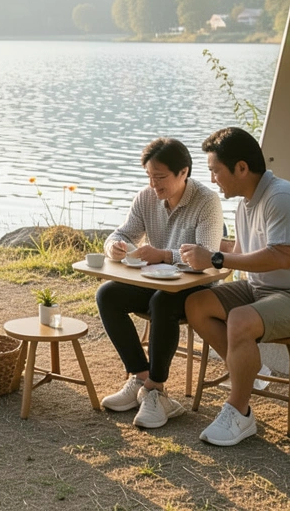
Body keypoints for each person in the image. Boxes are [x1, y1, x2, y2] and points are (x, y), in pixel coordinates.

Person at [180, 127, 290, 446]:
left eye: (215, 171)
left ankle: (240, 413)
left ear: (241, 168)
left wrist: (216, 258)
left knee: (239, 319)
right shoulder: (247, 202)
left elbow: (281, 256)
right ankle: (247, 369)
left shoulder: (281, 196)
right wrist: (202, 251)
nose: (212, 180)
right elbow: (241, 252)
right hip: (262, 290)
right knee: (196, 304)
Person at [95, 137, 224, 429]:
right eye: (150, 177)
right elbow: (122, 233)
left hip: (195, 287)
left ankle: (156, 391)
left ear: (184, 172)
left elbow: (205, 256)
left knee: (161, 302)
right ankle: (140, 378)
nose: (154, 185)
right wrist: (114, 246)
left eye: (161, 177)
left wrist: (164, 255)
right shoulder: (146, 197)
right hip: (157, 281)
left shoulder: (207, 202)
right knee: (107, 295)